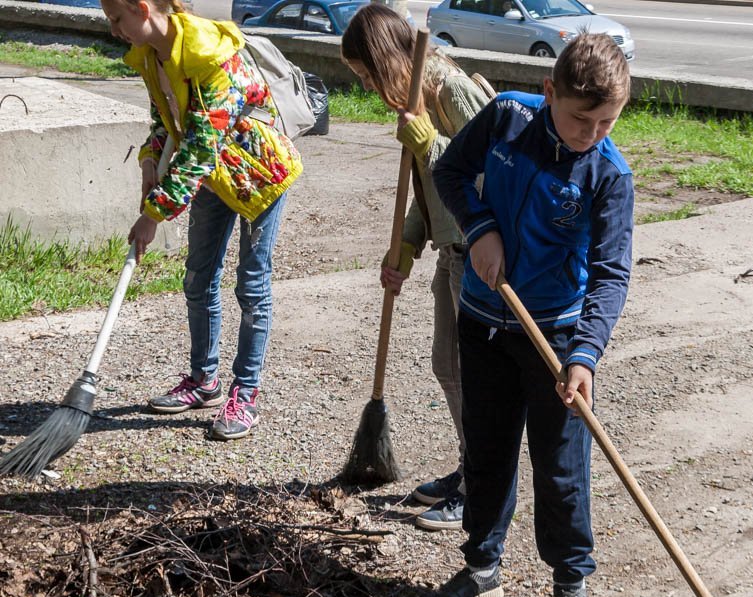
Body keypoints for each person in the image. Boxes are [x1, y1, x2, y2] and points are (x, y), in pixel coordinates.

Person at [430, 34, 634, 597]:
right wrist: (482, 226)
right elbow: (452, 171)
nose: (591, 133)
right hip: (484, 320)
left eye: (606, 122)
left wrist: (586, 355)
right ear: (549, 93)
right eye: (580, 118)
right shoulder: (506, 117)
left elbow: (611, 272)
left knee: (562, 466)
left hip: (557, 334)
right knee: (486, 451)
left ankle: (570, 581)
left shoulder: (609, 173)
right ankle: (481, 567)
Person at [101, 0, 302, 441]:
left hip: (257, 175)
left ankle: (245, 393)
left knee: (251, 284)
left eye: (117, 18)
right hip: (214, 180)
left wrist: (154, 215)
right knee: (198, 277)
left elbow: (198, 147)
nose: (114, 30)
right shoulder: (152, 57)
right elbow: (166, 121)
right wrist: (151, 160)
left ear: (141, 9)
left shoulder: (210, 53)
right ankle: (203, 380)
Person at [341, 4, 493, 530]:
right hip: (451, 252)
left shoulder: (448, 89)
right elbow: (432, 191)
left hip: (479, 255)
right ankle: (473, 468)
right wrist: (406, 245)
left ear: (385, 59)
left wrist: (432, 142)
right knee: (448, 367)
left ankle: (483, 488)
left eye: (366, 74)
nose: (366, 87)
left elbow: (494, 170)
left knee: (474, 376)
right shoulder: (416, 99)